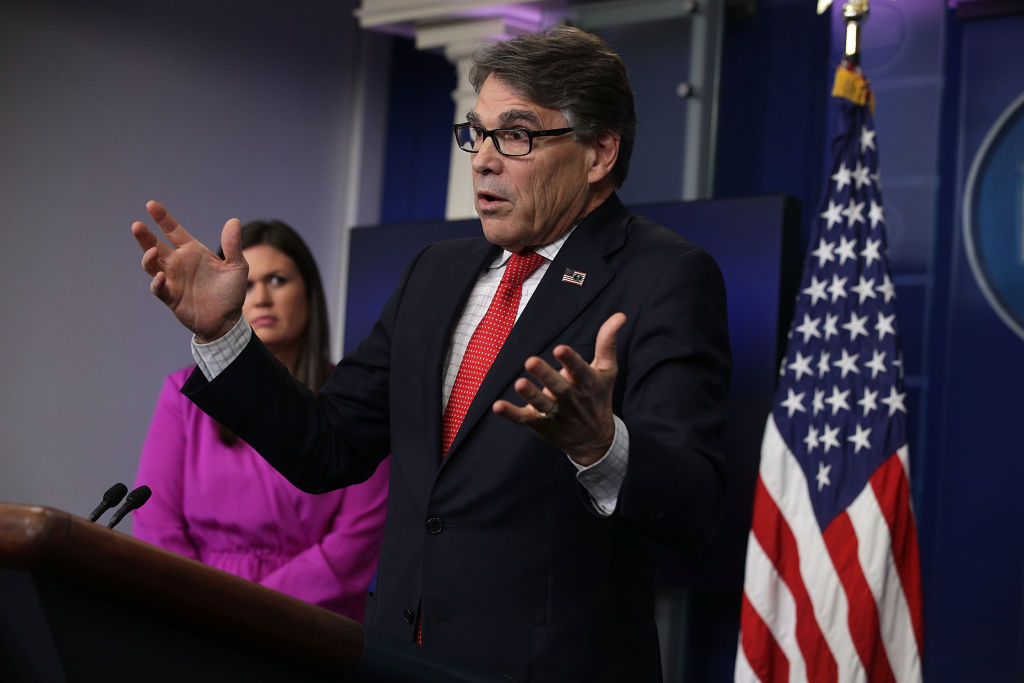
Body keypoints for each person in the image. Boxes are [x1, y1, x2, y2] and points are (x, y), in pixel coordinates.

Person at [131, 26, 731, 682]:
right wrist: (223, 334)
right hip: (399, 658)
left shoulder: (666, 275)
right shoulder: (435, 272)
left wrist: (600, 445)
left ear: (599, 152)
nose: (483, 160)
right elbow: (325, 444)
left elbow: (696, 503)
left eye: (518, 135)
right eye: (477, 132)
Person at [131, 219, 389, 621]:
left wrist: (247, 613)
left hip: (310, 620)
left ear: (309, 293)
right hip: (196, 614)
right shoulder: (182, 394)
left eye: (278, 280)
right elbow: (155, 523)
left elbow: (355, 540)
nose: (262, 298)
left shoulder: (355, 395)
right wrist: (202, 606)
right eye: (248, 283)